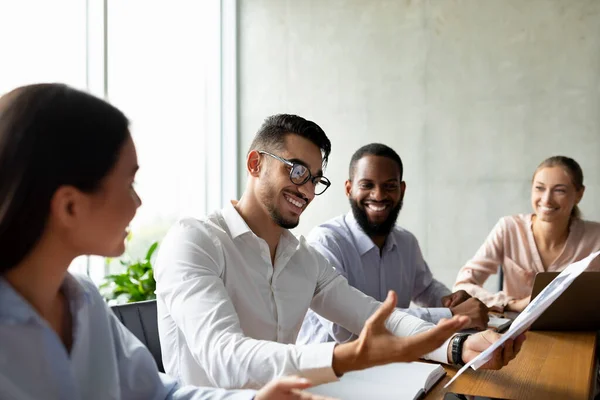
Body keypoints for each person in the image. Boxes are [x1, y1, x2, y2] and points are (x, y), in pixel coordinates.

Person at [0, 83, 334, 400]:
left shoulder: (85, 302)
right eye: (128, 184)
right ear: (70, 206)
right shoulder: (198, 240)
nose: (138, 203)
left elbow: (158, 394)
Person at [154, 114, 525, 390]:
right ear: (256, 163)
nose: (308, 191)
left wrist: (460, 345)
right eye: (297, 170)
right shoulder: (195, 241)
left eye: (316, 179)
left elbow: (377, 317)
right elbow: (225, 359)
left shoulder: (303, 259)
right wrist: (348, 356)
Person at [296, 143, 489, 346]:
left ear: (402, 190)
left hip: (391, 363)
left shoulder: (407, 242)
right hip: (331, 371)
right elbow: (344, 326)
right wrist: (449, 315)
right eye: (367, 185)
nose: (378, 195)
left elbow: (426, 288)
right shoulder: (325, 241)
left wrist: (449, 299)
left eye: (389, 186)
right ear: (349, 189)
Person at [453, 156, 600, 312]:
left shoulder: (596, 237)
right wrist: (510, 303)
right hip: (516, 331)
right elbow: (463, 286)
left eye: (559, 190)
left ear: (579, 194)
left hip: (578, 332)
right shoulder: (509, 228)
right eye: (540, 188)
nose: (547, 199)